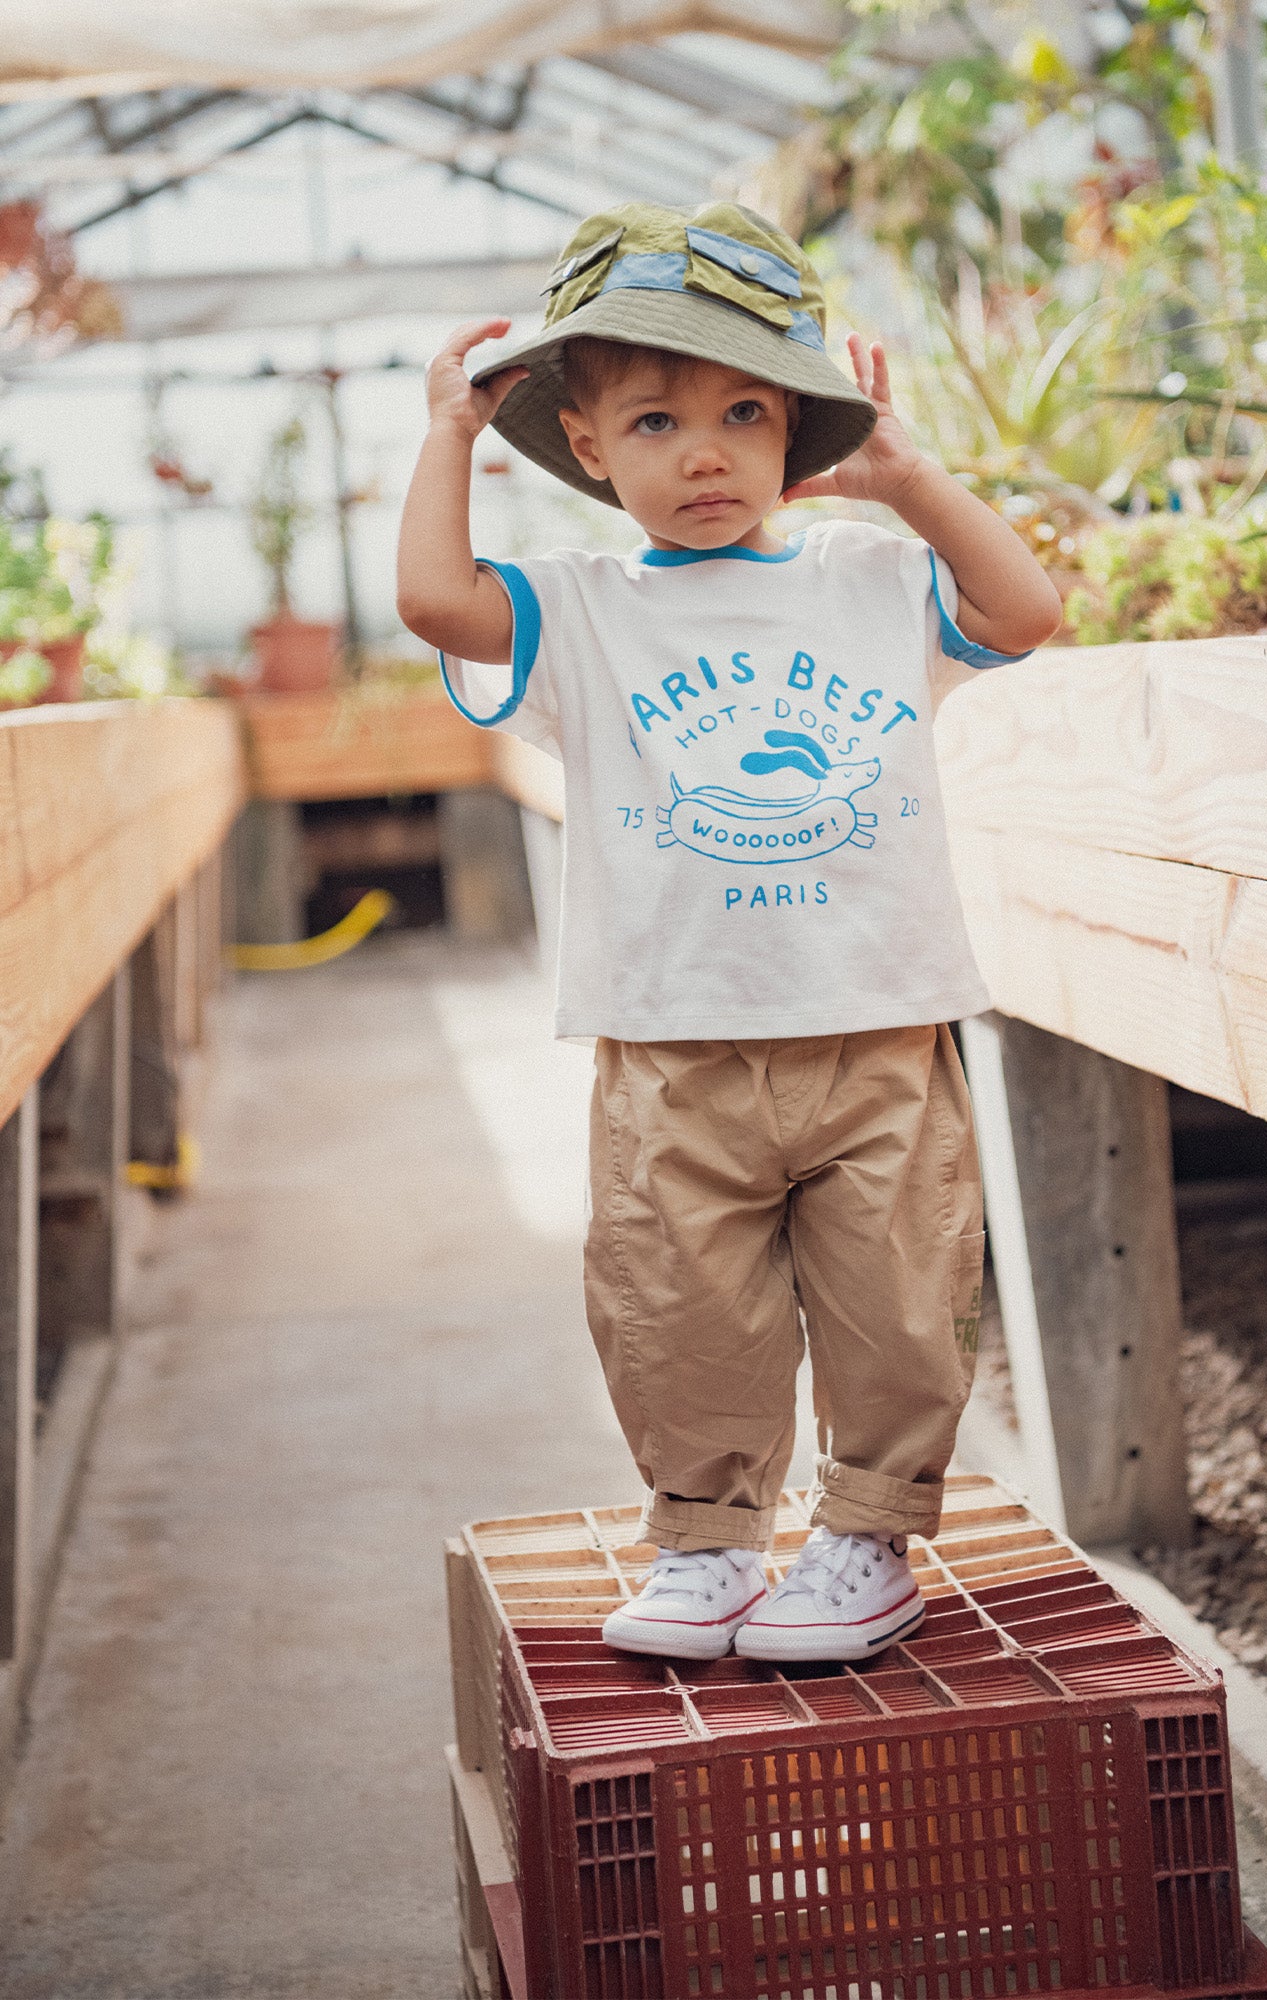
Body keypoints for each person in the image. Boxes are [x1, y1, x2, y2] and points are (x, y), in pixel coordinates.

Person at [397, 202, 1061, 1664]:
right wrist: (446, 432)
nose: (702, 453)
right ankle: (705, 1544)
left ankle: (868, 1540)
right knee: (676, 1302)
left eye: (745, 413)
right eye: (653, 418)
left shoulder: (872, 579)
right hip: (672, 1044)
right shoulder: (578, 609)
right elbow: (434, 601)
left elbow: (1026, 609)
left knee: (898, 1300)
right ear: (587, 448)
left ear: (797, 434)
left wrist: (904, 476)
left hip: (878, 1028)